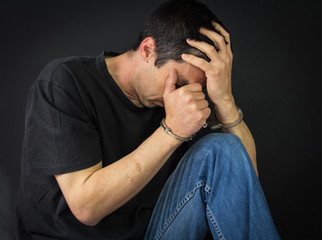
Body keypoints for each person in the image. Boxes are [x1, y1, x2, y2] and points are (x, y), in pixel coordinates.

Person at [15, 0, 280, 239]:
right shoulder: (66, 81)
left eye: (195, 88)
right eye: (180, 81)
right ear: (148, 49)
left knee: (223, 149)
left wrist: (224, 100)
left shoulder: (184, 101)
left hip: (154, 233)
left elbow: (242, 192)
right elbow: (86, 208)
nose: (181, 97)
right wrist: (171, 131)